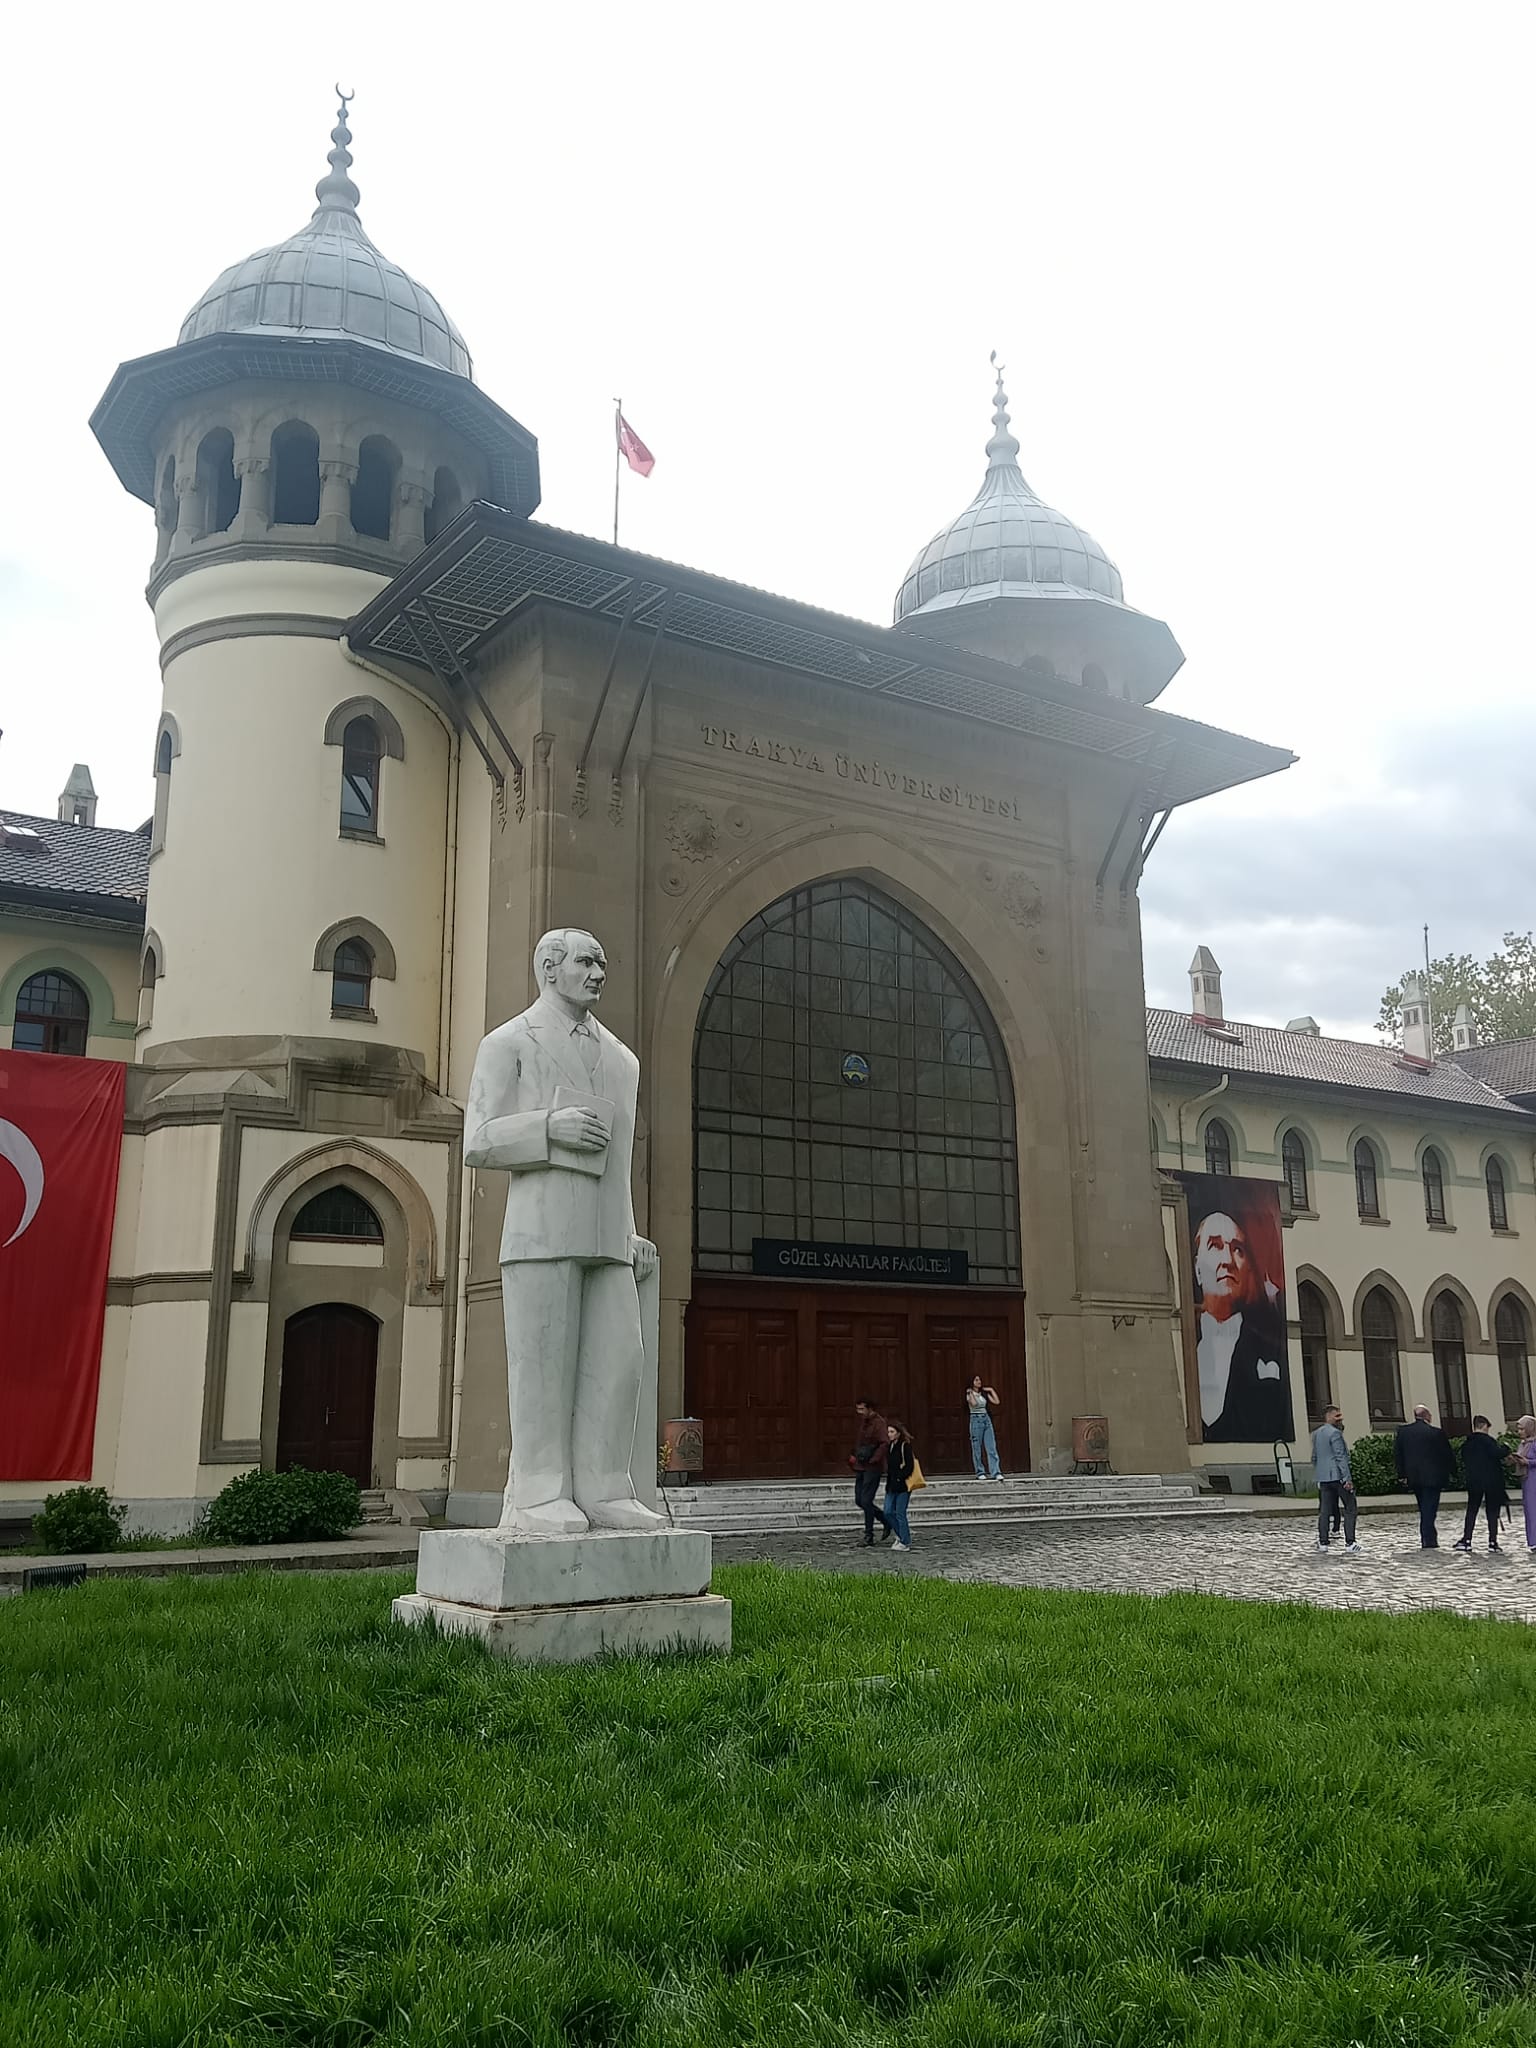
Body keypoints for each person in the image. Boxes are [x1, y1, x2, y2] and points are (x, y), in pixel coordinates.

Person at [463, 928, 663, 1535]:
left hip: (607, 1236)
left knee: (619, 1361)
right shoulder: (509, 1043)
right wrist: (549, 1129)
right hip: (542, 1230)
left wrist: (628, 1232)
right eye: (586, 961)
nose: (599, 972)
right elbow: (478, 1138)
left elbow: (620, 1162)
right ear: (549, 969)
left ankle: (606, 1488)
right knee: (543, 1363)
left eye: (603, 961)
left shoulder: (623, 1061)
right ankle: (536, 1494)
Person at [1191, 1211, 1291, 1442]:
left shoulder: (1270, 1345)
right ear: (1197, 1268)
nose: (1227, 1260)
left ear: (1248, 1270)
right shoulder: (1178, 1339)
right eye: (1215, 1246)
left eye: (1238, 1249)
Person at [1395, 1403, 1454, 1549]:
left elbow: (1398, 1455)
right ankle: (1428, 1539)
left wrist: (1402, 1474)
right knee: (1430, 1509)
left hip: (1414, 1477)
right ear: (1427, 1416)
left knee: (1424, 1506)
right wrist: (1452, 1472)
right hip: (1433, 1478)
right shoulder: (1436, 1432)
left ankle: (1428, 1538)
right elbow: (1446, 1455)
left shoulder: (1404, 1432)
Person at [1453, 1417, 1514, 1553]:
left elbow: (1463, 1459)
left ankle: (1467, 1539)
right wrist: (1506, 1448)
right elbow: (1496, 1453)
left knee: (1472, 1510)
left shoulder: (1467, 1443)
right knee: (1492, 1512)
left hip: (1474, 1481)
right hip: (1492, 1482)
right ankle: (1492, 1541)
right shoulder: (1489, 1441)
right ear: (1484, 1426)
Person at [1311, 1404, 1362, 1554]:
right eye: (1337, 1416)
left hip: (1324, 1477)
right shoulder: (1335, 1434)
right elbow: (1340, 1457)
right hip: (1338, 1476)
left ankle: (1323, 1542)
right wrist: (1347, 1479)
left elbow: (1314, 1457)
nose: (1340, 1419)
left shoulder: (1316, 1434)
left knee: (1325, 1510)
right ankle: (1350, 1542)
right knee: (1350, 1507)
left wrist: (1320, 1472)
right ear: (1328, 1416)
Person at [852, 1398, 890, 1546]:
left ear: (869, 1408)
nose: (859, 1412)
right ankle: (885, 1520)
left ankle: (869, 1535)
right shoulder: (864, 1422)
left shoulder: (878, 1423)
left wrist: (875, 1459)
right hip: (861, 1465)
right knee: (859, 1500)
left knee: (866, 1500)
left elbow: (884, 1443)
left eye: (862, 1409)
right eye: (858, 1409)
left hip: (873, 1468)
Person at [883, 1419, 916, 1552]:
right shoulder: (890, 1446)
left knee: (900, 1513)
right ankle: (901, 1534)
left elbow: (910, 1466)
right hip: (891, 1485)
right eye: (888, 1432)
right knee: (888, 1511)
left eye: (892, 1432)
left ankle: (905, 1541)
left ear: (898, 1433)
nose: (889, 1434)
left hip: (903, 1486)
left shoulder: (905, 1446)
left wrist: (899, 1477)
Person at [965, 1375, 1003, 1479]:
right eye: (976, 1380)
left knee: (991, 1446)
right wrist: (971, 1393)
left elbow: (996, 1401)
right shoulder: (969, 1394)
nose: (979, 1382)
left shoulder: (984, 1394)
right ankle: (980, 1472)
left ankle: (995, 1472)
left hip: (986, 1419)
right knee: (977, 1447)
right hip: (976, 1420)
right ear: (972, 1382)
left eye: (979, 1380)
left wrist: (991, 1390)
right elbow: (974, 1404)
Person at [1516, 1415, 1536, 1552]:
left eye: (1522, 1429)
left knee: (1534, 1510)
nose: (1520, 1432)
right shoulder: (1523, 1444)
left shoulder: (1534, 1443)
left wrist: (1528, 1462)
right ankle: (1532, 1540)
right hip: (1526, 1479)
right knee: (1529, 1511)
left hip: (1534, 1479)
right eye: (1518, 1429)